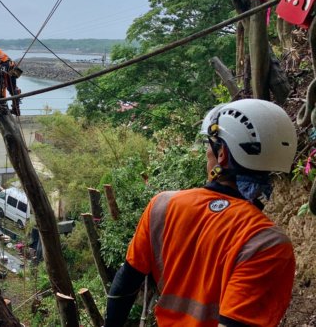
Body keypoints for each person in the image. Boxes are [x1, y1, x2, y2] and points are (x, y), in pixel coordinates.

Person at [105, 99, 298, 327]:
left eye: (210, 145)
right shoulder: (268, 244)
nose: (207, 152)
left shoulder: (162, 207)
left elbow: (126, 281)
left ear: (223, 154)